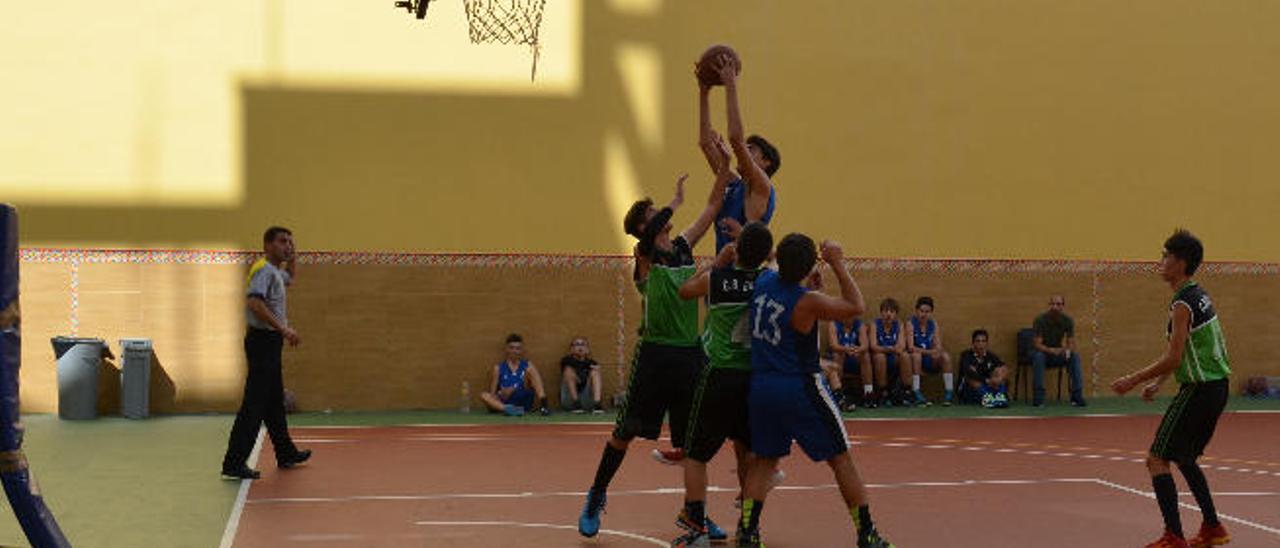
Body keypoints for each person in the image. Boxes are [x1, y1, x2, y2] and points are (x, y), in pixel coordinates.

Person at [578, 168, 731, 540]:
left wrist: (724, 171)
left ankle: (695, 514)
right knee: (624, 433)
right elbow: (650, 233)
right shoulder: (643, 255)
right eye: (653, 214)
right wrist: (675, 201)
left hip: (689, 356)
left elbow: (712, 206)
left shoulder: (682, 246)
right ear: (644, 226)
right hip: (655, 357)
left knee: (692, 443)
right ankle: (596, 494)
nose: (662, 215)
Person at [736, 234, 892, 548]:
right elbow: (855, 306)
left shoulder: (764, 280)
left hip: (762, 387)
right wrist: (837, 262)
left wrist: (808, 278)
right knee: (841, 460)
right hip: (798, 386)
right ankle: (867, 533)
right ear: (809, 266)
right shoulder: (806, 300)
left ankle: (748, 533)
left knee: (763, 461)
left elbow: (776, 265)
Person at [1111, 230, 1232, 548]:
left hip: (1199, 390)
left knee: (1156, 459)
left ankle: (1174, 536)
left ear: (1181, 263)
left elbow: (1174, 356)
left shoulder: (1183, 303)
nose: (1161, 262)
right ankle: (1213, 527)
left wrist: (1133, 379)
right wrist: (1160, 382)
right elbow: (1190, 350)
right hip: (1217, 388)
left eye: (1166, 256)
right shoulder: (1199, 295)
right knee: (1186, 457)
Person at [671, 221, 775, 546]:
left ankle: (696, 521)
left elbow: (685, 290)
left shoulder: (717, 279)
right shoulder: (768, 281)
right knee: (749, 453)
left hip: (719, 374)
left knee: (696, 454)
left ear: (737, 250)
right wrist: (755, 247)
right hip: (754, 378)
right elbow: (776, 259)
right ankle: (748, 527)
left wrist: (719, 260)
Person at [221, 226, 311, 480]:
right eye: (283, 241)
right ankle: (234, 462)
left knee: (273, 403)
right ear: (268, 245)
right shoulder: (263, 270)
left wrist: (293, 257)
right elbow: (254, 303)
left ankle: (285, 452)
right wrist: (283, 329)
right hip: (262, 342)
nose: (288, 246)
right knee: (254, 405)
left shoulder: (274, 272)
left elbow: (290, 279)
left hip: (270, 343)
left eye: (290, 242)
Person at [698, 53, 780, 253]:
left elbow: (736, 139)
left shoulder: (762, 186)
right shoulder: (735, 184)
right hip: (723, 269)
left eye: (751, 150)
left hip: (745, 276)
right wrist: (704, 92)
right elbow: (706, 144)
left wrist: (731, 84)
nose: (744, 152)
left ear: (766, 163)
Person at [1032, 295, 1087, 407]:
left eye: (1058, 304)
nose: (1055, 307)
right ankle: (1039, 399)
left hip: (1057, 353)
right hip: (1043, 353)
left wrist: (1065, 350)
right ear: (1049, 305)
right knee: (1038, 357)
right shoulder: (1040, 320)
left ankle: (1077, 397)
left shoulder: (1067, 321)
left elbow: (1071, 343)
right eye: (1053, 304)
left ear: (1063, 306)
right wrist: (1051, 350)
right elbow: (1037, 344)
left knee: (1074, 356)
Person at [480, 334, 551, 416]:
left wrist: (513, 389)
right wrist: (501, 393)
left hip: (522, 396)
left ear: (521, 350)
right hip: (507, 401)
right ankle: (509, 409)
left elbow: (530, 385)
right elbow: (493, 394)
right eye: (511, 348)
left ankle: (544, 405)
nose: (514, 351)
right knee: (483, 395)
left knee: (530, 370)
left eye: (517, 348)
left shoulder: (527, 365)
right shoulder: (498, 368)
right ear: (506, 349)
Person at [906, 296, 955, 406]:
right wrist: (930, 352)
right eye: (921, 311)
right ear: (916, 311)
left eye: (927, 312)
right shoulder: (910, 323)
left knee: (945, 356)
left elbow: (938, 346)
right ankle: (916, 391)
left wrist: (936, 352)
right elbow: (910, 347)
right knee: (916, 355)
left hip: (930, 360)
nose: (924, 314)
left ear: (931, 312)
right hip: (916, 361)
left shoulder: (933, 324)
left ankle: (949, 392)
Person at [869, 298, 910, 407]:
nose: (888, 314)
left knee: (905, 356)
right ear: (881, 312)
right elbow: (873, 346)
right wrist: (890, 349)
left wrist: (894, 349)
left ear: (896, 314)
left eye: (892, 312)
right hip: (879, 358)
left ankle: (906, 392)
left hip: (893, 357)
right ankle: (883, 393)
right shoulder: (874, 324)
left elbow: (902, 346)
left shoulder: (899, 325)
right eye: (886, 311)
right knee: (880, 357)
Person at [825, 314, 871, 410]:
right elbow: (833, 345)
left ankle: (868, 393)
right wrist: (846, 349)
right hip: (838, 356)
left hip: (853, 356)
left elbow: (865, 345)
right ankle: (839, 395)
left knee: (865, 355)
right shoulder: (833, 323)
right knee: (839, 354)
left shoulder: (859, 324)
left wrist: (858, 350)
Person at [958, 329, 1009, 408]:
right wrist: (986, 380)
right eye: (978, 341)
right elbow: (969, 373)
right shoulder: (966, 356)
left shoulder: (991, 356)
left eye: (983, 341)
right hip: (969, 390)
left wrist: (999, 379)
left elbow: (1003, 367)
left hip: (989, 385)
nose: (981, 344)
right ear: (973, 343)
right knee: (970, 377)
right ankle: (986, 397)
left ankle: (1000, 396)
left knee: (999, 370)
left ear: (987, 343)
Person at [560, 337, 603, 414]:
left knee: (595, 372)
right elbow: (576, 365)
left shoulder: (592, 362)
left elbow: (591, 370)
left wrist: (596, 368)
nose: (580, 347)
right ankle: (576, 403)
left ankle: (597, 404)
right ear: (571, 349)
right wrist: (588, 366)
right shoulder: (566, 360)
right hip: (569, 400)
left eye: (583, 344)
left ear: (587, 349)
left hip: (586, 399)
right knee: (568, 370)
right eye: (577, 344)